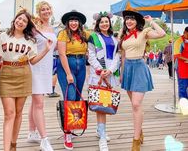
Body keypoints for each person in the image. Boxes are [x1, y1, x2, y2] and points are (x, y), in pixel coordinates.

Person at [0, 9, 53, 151]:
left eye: (24, 21)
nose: (20, 22)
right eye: (19, 19)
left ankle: (13, 144)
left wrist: (46, 50)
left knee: (18, 112)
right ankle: (6, 148)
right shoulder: (2, 36)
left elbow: (33, 61)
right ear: (14, 19)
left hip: (24, 73)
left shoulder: (30, 40)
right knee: (9, 113)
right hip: (7, 74)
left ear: (27, 25)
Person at [120, 10, 165, 151]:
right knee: (135, 106)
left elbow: (162, 34)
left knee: (136, 104)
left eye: (132, 19)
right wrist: (121, 73)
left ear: (137, 21)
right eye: (127, 19)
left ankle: (136, 141)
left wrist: (151, 21)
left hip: (139, 68)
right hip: (128, 69)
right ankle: (140, 131)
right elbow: (123, 56)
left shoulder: (144, 32)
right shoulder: (123, 36)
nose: (129, 21)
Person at [57, 10, 89, 150]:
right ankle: (67, 133)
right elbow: (62, 54)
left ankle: (73, 125)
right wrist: (68, 74)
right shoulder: (63, 34)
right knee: (69, 97)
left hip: (81, 64)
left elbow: (98, 40)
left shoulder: (84, 34)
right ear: (67, 23)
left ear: (79, 22)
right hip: (67, 65)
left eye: (76, 20)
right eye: (71, 20)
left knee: (76, 97)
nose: (74, 23)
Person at [88, 11, 120, 151]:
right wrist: (101, 70)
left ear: (110, 23)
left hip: (110, 75)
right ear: (98, 24)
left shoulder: (115, 39)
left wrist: (110, 70)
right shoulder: (93, 37)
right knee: (100, 107)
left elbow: (117, 57)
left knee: (104, 104)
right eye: (102, 22)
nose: (104, 24)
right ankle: (102, 137)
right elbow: (91, 55)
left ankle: (99, 130)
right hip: (98, 75)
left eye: (106, 21)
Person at [27, 1, 57, 151]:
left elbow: (54, 48)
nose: (46, 11)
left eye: (48, 9)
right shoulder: (34, 28)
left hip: (46, 68)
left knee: (35, 102)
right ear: (39, 12)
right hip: (35, 66)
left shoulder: (52, 28)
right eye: (43, 9)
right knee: (39, 103)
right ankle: (44, 139)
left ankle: (32, 133)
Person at [174, 26, 188, 100]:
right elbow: (177, 55)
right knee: (183, 86)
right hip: (181, 67)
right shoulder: (179, 41)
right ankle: (183, 103)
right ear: (185, 33)